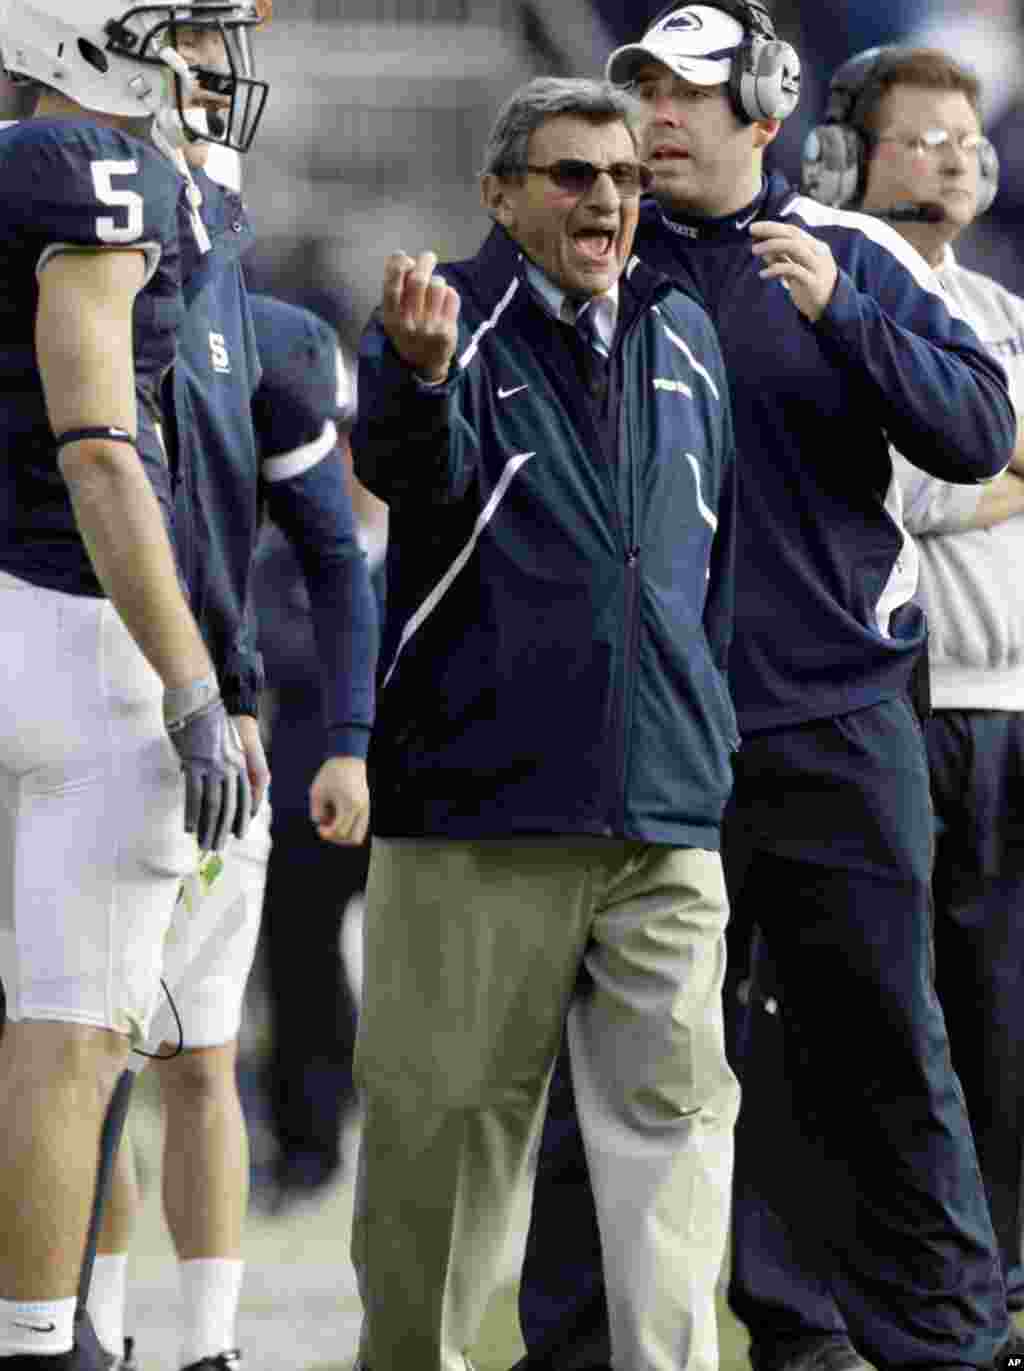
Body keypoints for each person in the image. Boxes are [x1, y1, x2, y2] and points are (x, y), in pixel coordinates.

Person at [512, 6, 1018, 1371]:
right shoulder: (594, 262)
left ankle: (948, 1340)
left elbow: (977, 429)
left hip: (838, 720)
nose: (661, 119)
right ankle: (583, 1344)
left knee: (885, 1048)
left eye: (691, 94)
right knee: (620, 1069)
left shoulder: (850, 255)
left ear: (768, 111)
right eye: (647, 93)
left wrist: (847, 315)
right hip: (655, 733)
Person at [350, 73, 741, 1371]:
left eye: (626, 178)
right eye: (575, 175)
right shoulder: (440, 326)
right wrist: (414, 374)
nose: (608, 200)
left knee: (679, 1141)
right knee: (442, 1153)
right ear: (501, 192)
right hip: (480, 807)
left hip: (667, 810)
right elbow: (417, 471)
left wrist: (710, 741)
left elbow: (705, 563)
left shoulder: (686, 336)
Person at [722, 44, 1024, 1369]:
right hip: (895, 696)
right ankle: (811, 1306)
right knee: (858, 1022)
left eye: (972, 136)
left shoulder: (1001, 309)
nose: (960, 156)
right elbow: (902, 491)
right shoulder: (823, 290)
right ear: (843, 154)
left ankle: (991, 1288)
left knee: (995, 1030)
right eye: (926, 137)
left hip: (1009, 708)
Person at [83, 117, 377, 1371]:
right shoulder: (61, 320)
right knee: (74, 1052)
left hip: (241, 713)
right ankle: (73, 1326)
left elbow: (338, 547)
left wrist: (351, 733)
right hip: (83, 705)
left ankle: (204, 1338)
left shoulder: (276, 342)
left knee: (201, 1043)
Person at [0, 4, 255, 1369]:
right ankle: (38, 1341)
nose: (191, 68)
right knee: (68, 1034)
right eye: (169, 36)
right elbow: (100, 447)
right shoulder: (104, 181)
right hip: (70, 625)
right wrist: (194, 675)